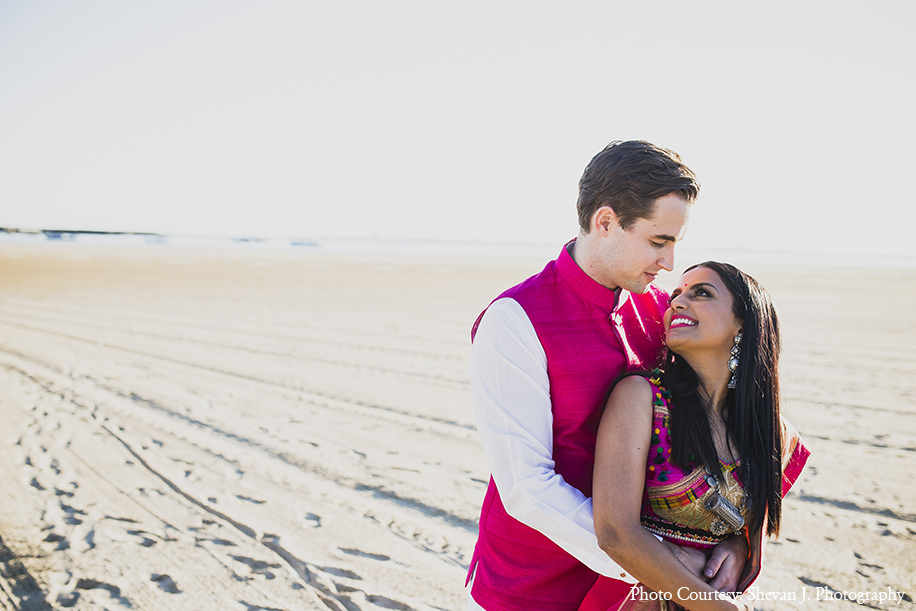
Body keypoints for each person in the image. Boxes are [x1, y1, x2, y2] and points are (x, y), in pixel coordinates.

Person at [467, 141, 747, 611]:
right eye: (658, 241)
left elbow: (729, 422)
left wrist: (737, 538)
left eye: (676, 242)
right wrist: (649, 559)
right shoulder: (515, 320)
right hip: (532, 587)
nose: (669, 262)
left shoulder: (664, 311)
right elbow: (525, 487)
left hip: (645, 593)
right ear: (605, 222)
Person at [578, 262, 810, 611]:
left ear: (744, 323)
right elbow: (615, 533)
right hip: (634, 600)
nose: (677, 303)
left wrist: (737, 546)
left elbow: (746, 530)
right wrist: (715, 606)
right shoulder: (641, 397)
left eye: (701, 293)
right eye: (676, 295)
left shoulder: (773, 433)